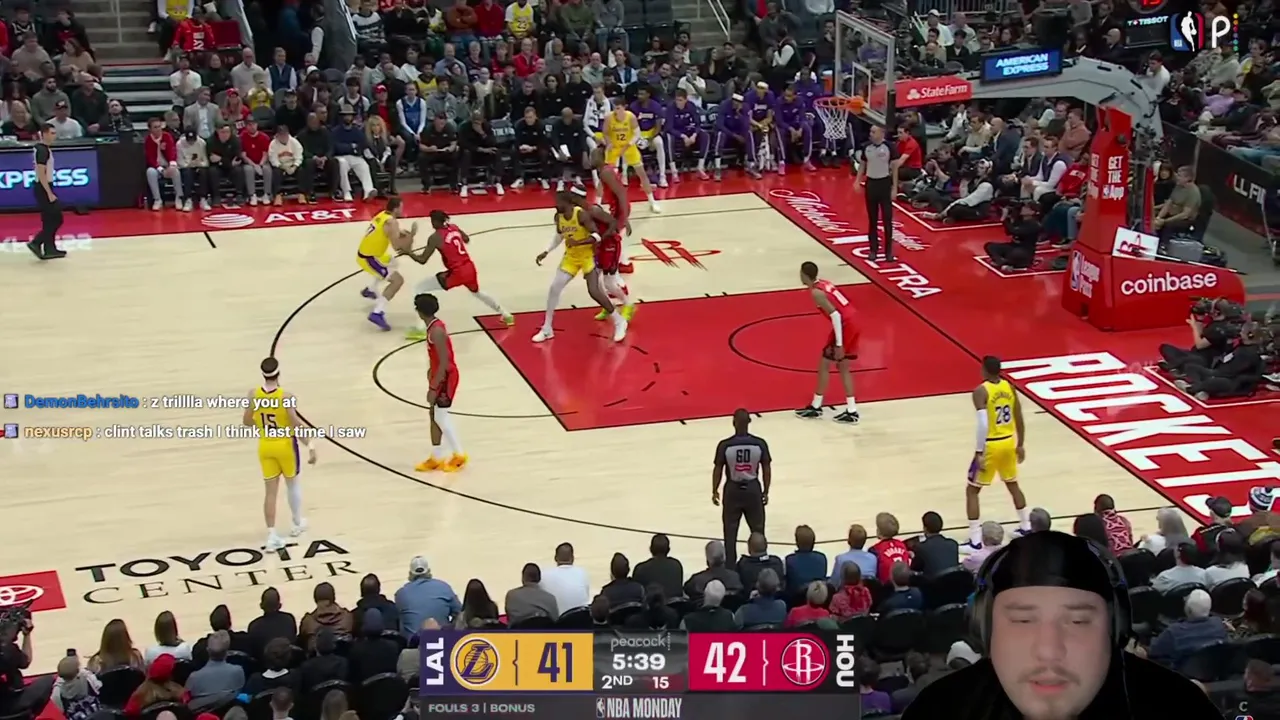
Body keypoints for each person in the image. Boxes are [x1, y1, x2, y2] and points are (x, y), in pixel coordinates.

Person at [903, 531, 1222, 720]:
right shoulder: (936, 710)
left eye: (1078, 621)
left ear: (1114, 630)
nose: (1048, 649)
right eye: (1023, 620)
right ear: (985, 630)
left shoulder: (1182, 709)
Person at [532, 188, 627, 343]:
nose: (555, 205)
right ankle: (547, 328)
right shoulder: (558, 217)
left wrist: (578, 242)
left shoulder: (581, 214)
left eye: (558, 202)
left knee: (594, 291)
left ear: (568, 203)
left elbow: (596, 236)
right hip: (571, 258)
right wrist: (546, 251)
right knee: (554, 288)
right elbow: (559, 236)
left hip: (588, 256)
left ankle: (619, 321)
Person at [405, 210, 514, 341]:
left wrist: (409, 252)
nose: (432, 223)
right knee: (477, 292)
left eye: (432, 221)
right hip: (469, 268)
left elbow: (423, 260)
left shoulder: (435, 237)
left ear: (436, 221)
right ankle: (506, 315)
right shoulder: (454, 227)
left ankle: (421, 329)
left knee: (419, 288)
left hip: (457, 272)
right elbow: (466, 239)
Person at [243, 357, 316, 551]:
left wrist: (263, 424)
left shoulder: (253, 394)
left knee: (270, 492)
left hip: (265, 445)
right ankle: (297, 523)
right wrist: (310, 445)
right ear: (278, 373)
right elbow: (295, 423)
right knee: (292, 484)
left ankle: (271, 535)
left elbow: (247, 422)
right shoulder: (286, 396)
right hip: (285, 446)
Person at [966, 356, 1032, 549]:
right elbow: (1018, 416)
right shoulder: (1009, 387)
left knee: (972, 490)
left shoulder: (981, 391)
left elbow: (983, 423)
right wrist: (1020, 443)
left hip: (991, 445)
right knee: (1013, 484)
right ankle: (1026, 526)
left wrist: (979, 452)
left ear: (984, 370)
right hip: (1009, 442)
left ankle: (975, 540)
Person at [793, 261, 859, 424]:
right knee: (843, 367)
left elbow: (836, 315)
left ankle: (816, 407)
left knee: (824, 364)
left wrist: (839, 344)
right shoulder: (824, 283)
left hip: (846, 325)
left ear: (804, 275)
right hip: (854, 320)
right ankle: (851, 410)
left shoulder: (817, 293)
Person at [580, 149, 636, 322]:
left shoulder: (605, 172)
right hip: (615, 213)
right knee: (604, 271)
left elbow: (622, 194)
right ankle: (609, 304)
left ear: (600, 158)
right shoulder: (603, 171)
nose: (590, 159)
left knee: (610, 269)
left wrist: (622, 219)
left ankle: (626, 303)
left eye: (592, 156)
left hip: (617, 214)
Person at [413, 293, 467, 473]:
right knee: (434, 415)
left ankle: (459, 455)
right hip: (440, 375)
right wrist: (431, 370)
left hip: (446, 377)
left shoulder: (436, 331)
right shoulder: (433, 327)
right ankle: (436, 456)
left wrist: (433, 387)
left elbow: (444, 361)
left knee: (440, 416)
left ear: (419, 311)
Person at [713, 409, 771, 559]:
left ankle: (730, 565)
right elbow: (766, 468)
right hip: (753, 488)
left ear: (734, 423)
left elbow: (718, 469)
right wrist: (766, 491)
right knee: (758, 530)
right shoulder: (759, 444)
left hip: (732, 489)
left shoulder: (725, 445)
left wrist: (715, 490)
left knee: (730, 532)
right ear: (749, 422)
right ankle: (760, 560)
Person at [357, 196, 418, 331]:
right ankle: (377, 312)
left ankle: (371, 289)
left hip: (368, 253)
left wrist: (402, 233)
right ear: (395, 209)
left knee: (392, 262)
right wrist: (411, 236)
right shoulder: (392, 223)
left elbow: (388, 232)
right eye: (401, 208)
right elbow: (399, 248)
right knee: (397, 281)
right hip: (370, 258)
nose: (403, 210)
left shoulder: (383, 215)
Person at [601, 99, 660, 212]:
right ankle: (598, 203)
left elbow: (637, 134)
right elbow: (605, 132)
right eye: (614, 108)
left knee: (642, 174)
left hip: (629, 146)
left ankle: (652, 202)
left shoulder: (631, 117)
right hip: (614, 147)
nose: (616, 111)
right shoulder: (609, 118)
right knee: (606, 176)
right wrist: (609, 143)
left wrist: (627, 145)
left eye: (618, 108)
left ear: (624, 107)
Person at [856, 124, 901, 262]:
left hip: (884, 183)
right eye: (870, 131)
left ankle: (888, 252)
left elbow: (895, 168)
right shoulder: (866, 147)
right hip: (871, 184)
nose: (871, 134)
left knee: (887, 219)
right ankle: (873, 250)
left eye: (874, 132)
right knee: (872, 219)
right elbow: (862, 165)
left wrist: (894, 188)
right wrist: (857, 181)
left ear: (882, 133)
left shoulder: (890, 147)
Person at [27, 121, 66, 260]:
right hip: (43, 187)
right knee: (56, 218)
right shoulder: (42, 150)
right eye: (52, 133)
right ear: (43, 134)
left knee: (49, 219)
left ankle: (50, 248)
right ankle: (36, 242)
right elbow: (41, 172)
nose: (54, 136)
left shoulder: (43, 149)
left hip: (44, 186)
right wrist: (49, 192)